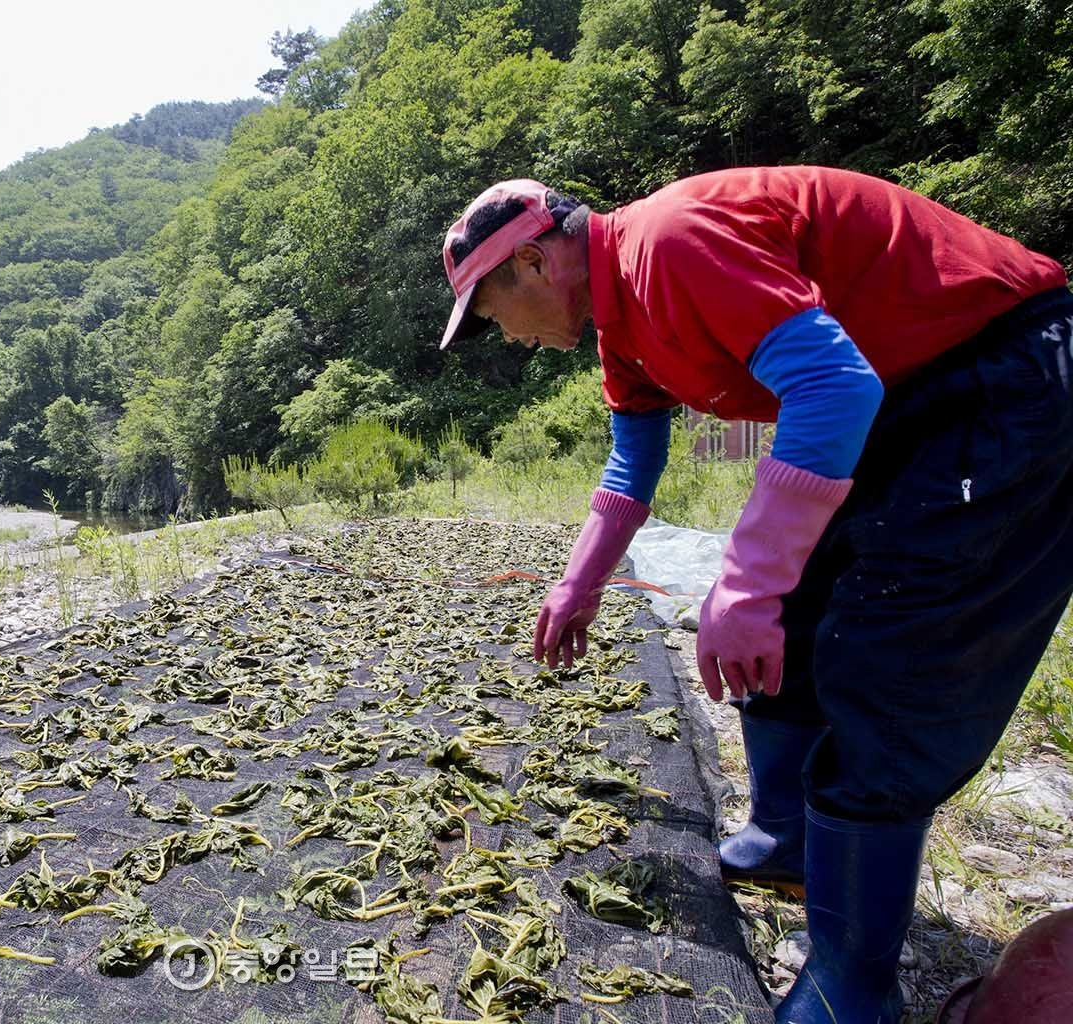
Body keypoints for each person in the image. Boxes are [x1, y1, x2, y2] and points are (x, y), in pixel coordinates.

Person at [438, 167, 1073, 1024]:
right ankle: (787, 840)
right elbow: (634, 467)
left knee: (886, 657)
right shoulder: (622, 327)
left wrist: (745, 578)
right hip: (905, 401)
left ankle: (852, 987)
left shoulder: (671, 242)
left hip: (1004, 374)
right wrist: (578, 582)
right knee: (801, 613)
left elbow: (833, 387)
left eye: (489, 311)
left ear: (536, 265)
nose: (502, 334)